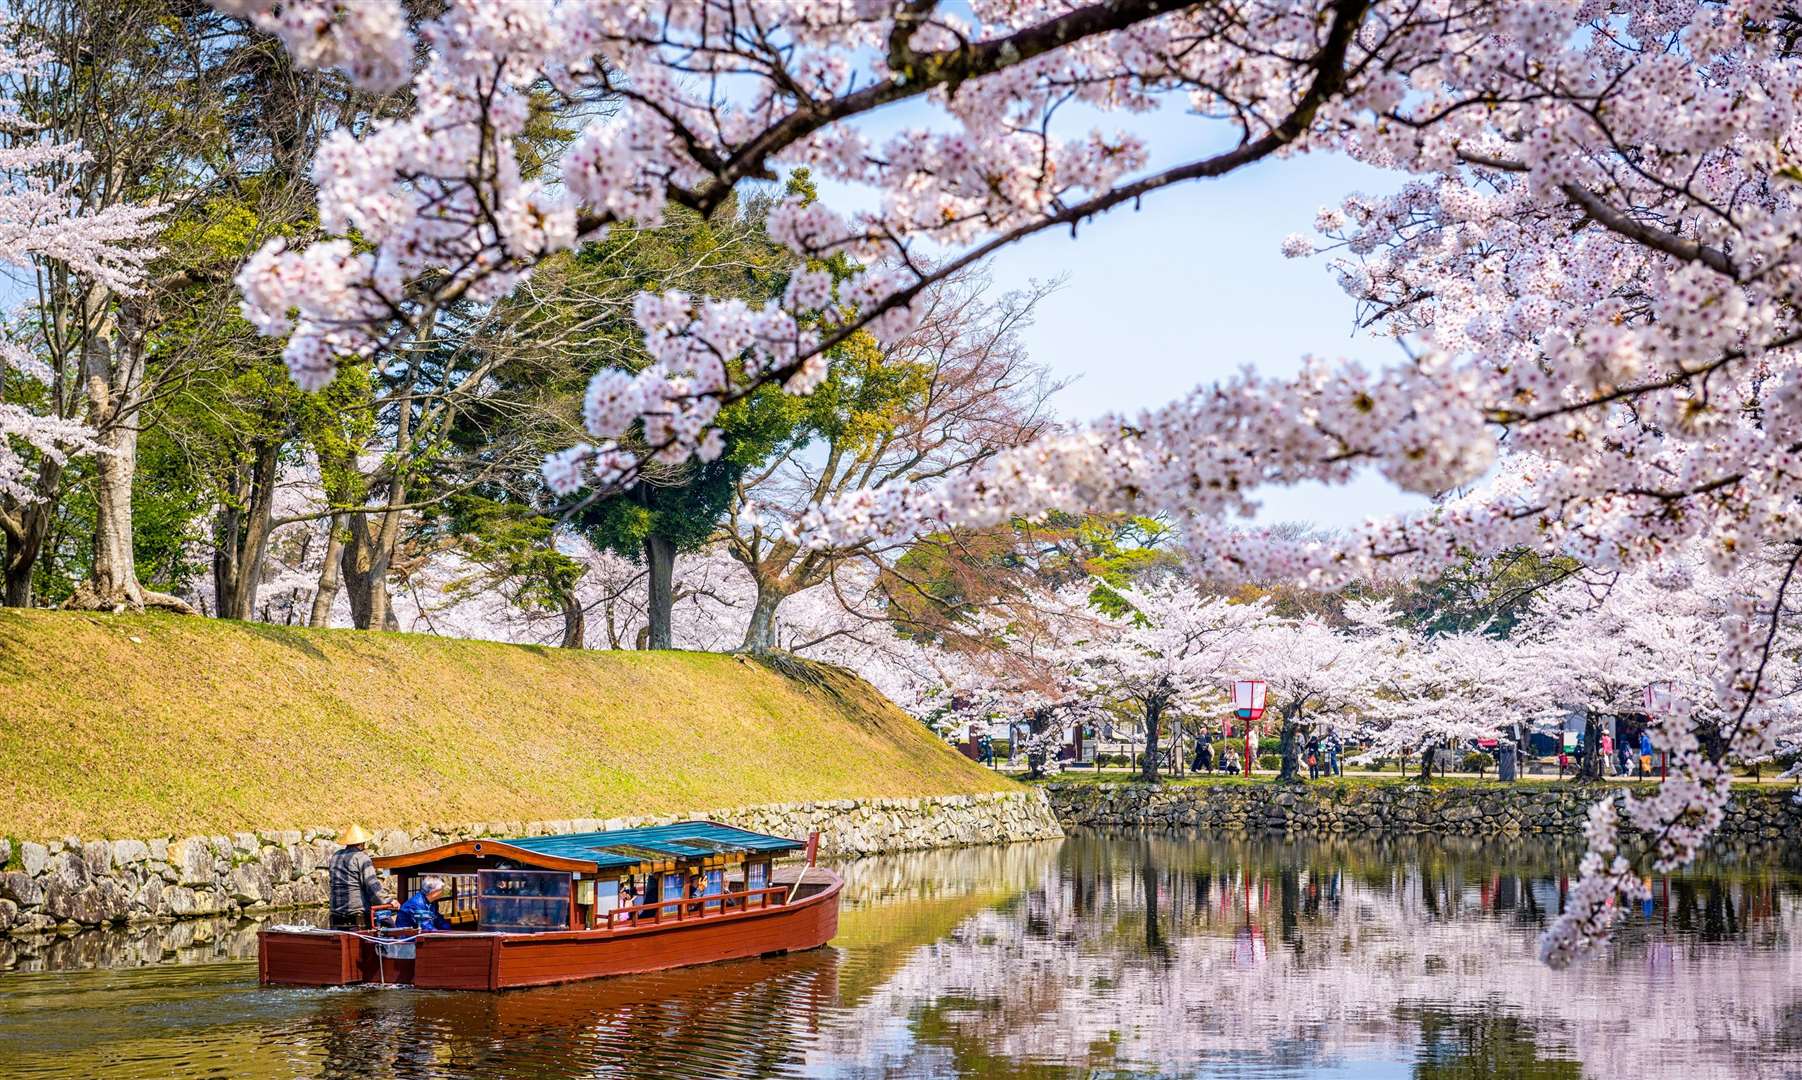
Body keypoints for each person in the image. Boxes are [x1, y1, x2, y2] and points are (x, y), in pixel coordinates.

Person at [327, 824, 383, 931]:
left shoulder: (335, 857)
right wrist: (388, 900)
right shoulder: (362, 858)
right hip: (356, 914)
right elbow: (372, 885)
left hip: (335, 913)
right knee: (387, 922)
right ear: (361, 843)